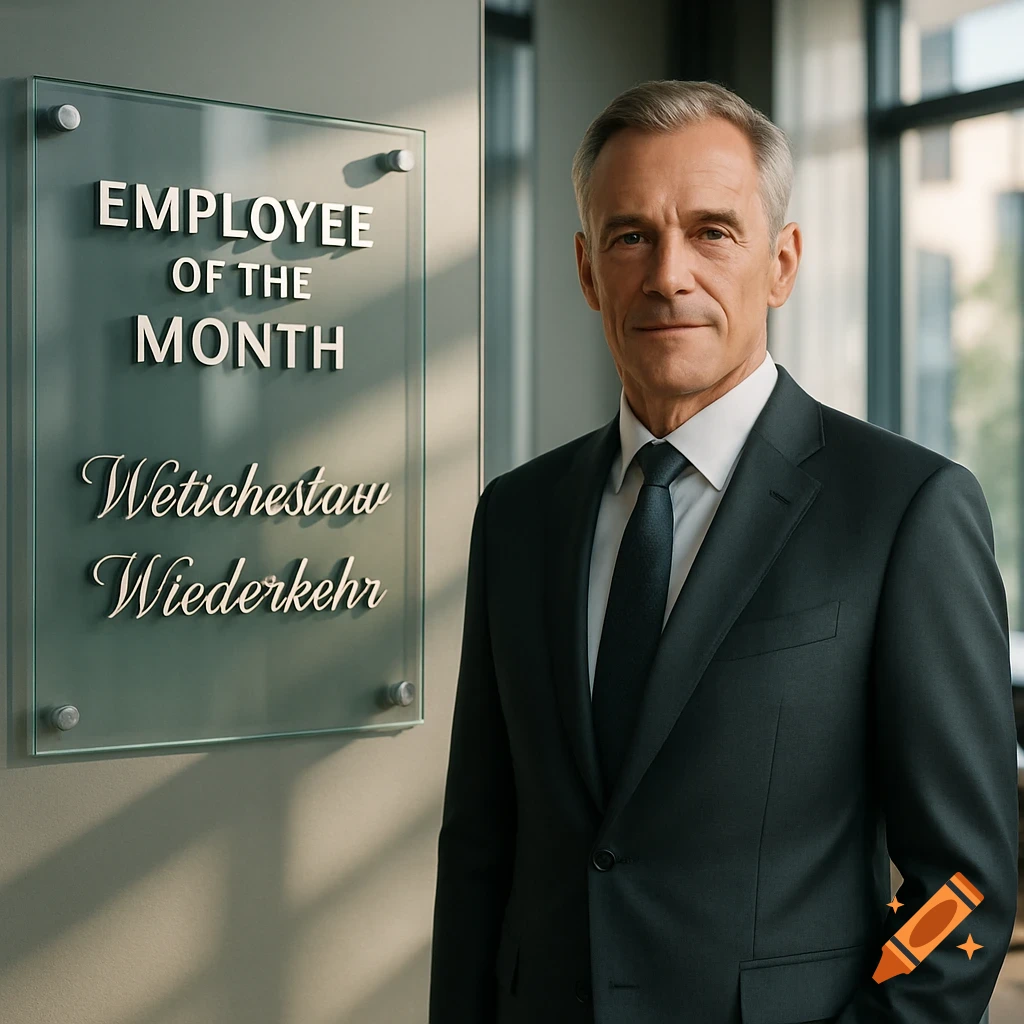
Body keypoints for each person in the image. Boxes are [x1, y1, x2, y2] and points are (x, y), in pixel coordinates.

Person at [428, 79, 1019, 1024]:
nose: (668, 275)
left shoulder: (905, 509)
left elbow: (964, 890)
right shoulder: (517, 517)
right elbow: (480, 851)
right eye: (631, 236)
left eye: (712, 231)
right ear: (587, 271)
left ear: (781, 264)